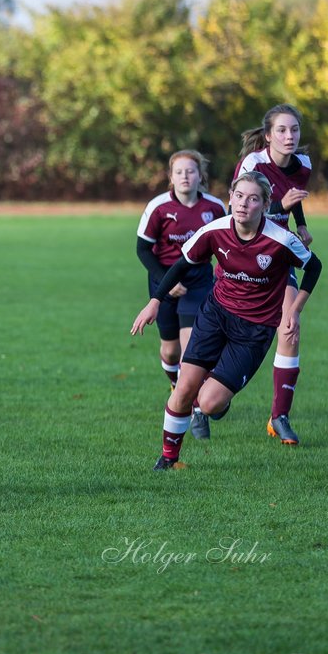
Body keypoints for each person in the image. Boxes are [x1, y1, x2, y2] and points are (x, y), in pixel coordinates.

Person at [131, 171, 322, 470]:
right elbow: (181, 265)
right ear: (230, 198)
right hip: (215, 315)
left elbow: (314, 267)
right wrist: (155, 302)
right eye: (239, 196)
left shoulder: (280, 240)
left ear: (265, 204)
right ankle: (168, 459)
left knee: (209, 404)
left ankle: (219, 394)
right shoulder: (214, 231)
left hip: (254, 330)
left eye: (253, 199)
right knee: (183, 389)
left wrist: (294, 309)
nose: (244, 204)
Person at [232, 103, 313, 445]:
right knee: (231, 334)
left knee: (290, 327)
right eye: (281, 130)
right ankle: (205, 397)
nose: (289, 136)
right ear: (267, 136)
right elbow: (239, 211)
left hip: (278, 255)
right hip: (244, 256)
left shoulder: (303, 165)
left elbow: (294, 199)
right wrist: (281, 208)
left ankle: (279, 416)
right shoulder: (253, 164)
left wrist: (303, 225)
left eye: (294, 129)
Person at [135, 150, 228, 439]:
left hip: (198, 282)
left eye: (191, 171)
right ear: (170, 177)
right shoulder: (158, 207)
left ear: (200, 175)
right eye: (179, 172)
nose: (185, 176)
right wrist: (166, 281)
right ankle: (178, 385)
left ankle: (196, 406)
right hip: (163, 282)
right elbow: (142, 249)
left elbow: (227, 243)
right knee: (170, 351)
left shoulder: (214, 207)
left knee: (191, 350)